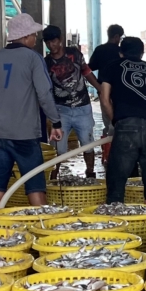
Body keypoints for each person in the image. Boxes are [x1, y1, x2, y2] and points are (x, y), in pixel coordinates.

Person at [0, 13, 63, 207]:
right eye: (34, 35)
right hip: (25, 134)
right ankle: (41, 226)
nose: (36, 39)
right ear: (26, 36)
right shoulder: (33, 58)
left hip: (1, 133)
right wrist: (56, 121)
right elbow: (44, 93)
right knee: (35, 184)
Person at [98, 37, 146, 205]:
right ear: (142, 53)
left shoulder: (112, 66)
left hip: (126, 125)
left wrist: (116, 121)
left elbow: (104, 99)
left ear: (121, 52)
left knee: (116, 179)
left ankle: (116, 219)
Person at [43, 25, 101, 177]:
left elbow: (86, 72)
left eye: (54, 41)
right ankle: (53, 175)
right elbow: (45, 89)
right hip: (60, 111)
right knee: (57, 148)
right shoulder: (46, 63)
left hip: (83, 108)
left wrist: (100, 89)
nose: (51, 45)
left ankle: (90, 173)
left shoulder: (74, 54)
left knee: (88, 144)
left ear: (60, 40)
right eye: (47, 43)